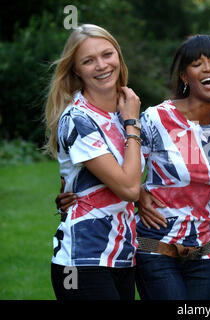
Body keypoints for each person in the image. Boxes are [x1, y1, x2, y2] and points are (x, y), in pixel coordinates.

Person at [134, 34, 210, 300]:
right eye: (197, 64)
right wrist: (138, 194)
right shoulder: (157, 118)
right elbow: (125, 172)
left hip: (205, 251)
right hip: (156, 246)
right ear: (184, 76)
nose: (208, 68)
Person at [45, 24, 144, 300]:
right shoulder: (78, 119)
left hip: (121, 255)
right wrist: (133, 124)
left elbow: (135, 180)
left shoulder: (122, 113)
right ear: (76, 70)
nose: (101, 65)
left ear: (118, 56)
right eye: (88, 61)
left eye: (107, 54)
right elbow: (129, 188)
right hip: (82, 261)